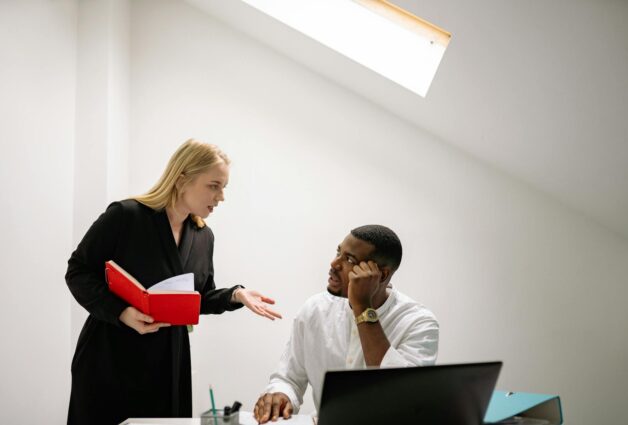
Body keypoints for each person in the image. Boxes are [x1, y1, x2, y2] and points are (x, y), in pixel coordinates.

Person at [66, 139, 281, 425]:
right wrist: (122, 312)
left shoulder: (204, 237)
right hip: (109, 357)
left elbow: (199, 298)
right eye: (214, 185)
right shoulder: (125, 216)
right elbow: (78, 271)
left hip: (168, 364)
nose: (221, 197)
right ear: (182, 179)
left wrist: (235, 295)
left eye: (224, 188)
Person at [253, 225, 439, 423]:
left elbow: (401, 399)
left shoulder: (419, 323)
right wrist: (281, 395)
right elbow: (288, 378)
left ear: (381, 275)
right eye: (338, 252)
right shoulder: (315, 309)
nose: (334, 263)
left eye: (350, 260)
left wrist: (361, 306)